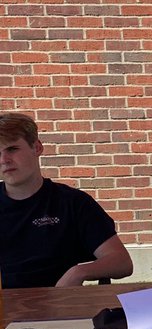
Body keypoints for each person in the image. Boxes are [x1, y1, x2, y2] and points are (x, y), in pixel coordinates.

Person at [0, 112, 133, 288]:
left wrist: (78, 272)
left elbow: (122, 262)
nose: (4, 160)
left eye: (12, 149)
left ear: (37, 148)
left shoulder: (72, 202)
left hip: (61, 301)